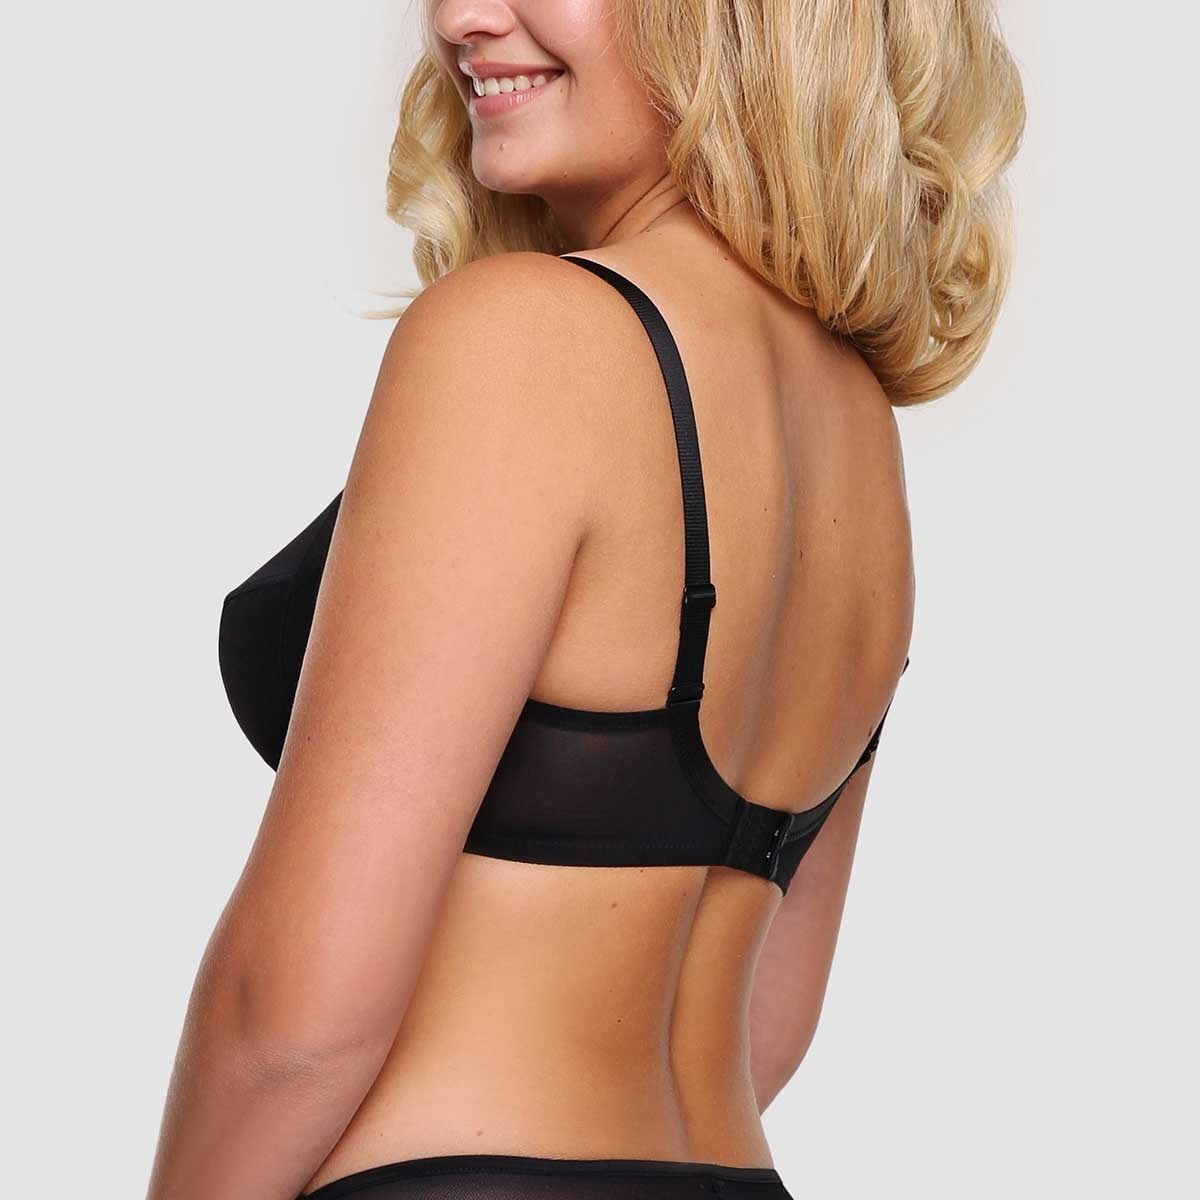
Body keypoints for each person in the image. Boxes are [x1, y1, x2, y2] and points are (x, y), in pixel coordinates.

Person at [147, 2, 1024, 1198]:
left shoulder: (522, 339)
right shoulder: (854, 429)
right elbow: (767, 1017)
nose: (461, 16)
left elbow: (291, 1019)